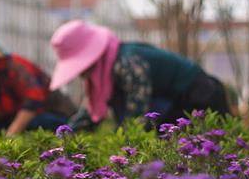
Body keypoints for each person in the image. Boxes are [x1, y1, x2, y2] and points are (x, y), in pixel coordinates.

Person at [49, 19, 231, 130]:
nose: (80, 74)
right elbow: (90, 112)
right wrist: (65, 136)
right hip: (177, 103)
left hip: (202, 98)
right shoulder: (105, 71)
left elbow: (137, 117)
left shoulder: (127, 64)